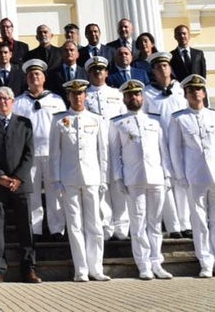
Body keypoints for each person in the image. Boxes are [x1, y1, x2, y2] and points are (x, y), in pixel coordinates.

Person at [169, 74, 215, 279]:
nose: (195, 94)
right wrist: (180, 176)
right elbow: (175, 149)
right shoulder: (179, 118)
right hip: (194, 175)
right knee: (198, 221)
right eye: (191, 91)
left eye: (198, 90)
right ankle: (205, 261)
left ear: (204, 93)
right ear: (186, 95)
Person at [109, 79, 174, 280]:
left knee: (155, 223)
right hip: (133, 178)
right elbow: (114, 153)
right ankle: (143, 264)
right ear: (124, 98)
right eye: (130, 95)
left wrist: (167, 174)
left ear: (142, 97)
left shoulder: (154, 121)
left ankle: (157, 262)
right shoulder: (117, 123)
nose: (134, 97)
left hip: (156, 177)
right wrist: (118, 178)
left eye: (137, 94)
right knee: (138, 224)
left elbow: (164, 150)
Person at [0, 86, 42, 285]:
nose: (3, 102)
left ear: (13, 101)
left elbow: (29, 154)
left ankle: (29, 269)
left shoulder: (25, 123)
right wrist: (0, 176)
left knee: (25, 226)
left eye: (7, 98)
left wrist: (18, 178)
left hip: (20, 183)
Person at [50, 79, 110, 282]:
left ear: (86, 95)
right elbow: (54, 154)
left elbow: (102, 152)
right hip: (69, 178)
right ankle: (81, 269)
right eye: (73, 94)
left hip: (92, 177)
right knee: (75, 225)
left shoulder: (96, 119)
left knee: (94, 224)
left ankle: (97, 268)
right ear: (68, 96)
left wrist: (103, 178)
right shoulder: (59, 120)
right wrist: (56, 179)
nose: (77, 97)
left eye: (81, 93)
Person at [12, 59, 67, 236]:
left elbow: (64, 126)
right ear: (26, 79)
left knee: (55, 192)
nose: (34, 77)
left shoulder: (56, 100)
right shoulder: (19, 102)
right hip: (29, 154)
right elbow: (15, 130)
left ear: (44, 78)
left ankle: (57, 228)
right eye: (30, 75)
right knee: (32, 193)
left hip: (53, 153)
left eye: (38, 74)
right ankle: (34, 229)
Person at [143, 52, 190, 238]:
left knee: (182, 182)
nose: (162, 69)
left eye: (165, 66)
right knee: (166, 184)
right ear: (153, 71)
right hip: (159, 144)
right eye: (158, 67)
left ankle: (185, 222)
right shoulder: (147, 93)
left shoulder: (181, 89)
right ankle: (173, 225)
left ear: (170, 68)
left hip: (182, 143)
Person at [84, 55, 127, 240]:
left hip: (115, 144)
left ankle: (122, 226)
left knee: (117, 183)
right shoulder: (85, 96)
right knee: (101, 185)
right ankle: (106, 224)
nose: (98, 72)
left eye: (101, 69)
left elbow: (125, 119)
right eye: (94, 70)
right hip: (93, 146)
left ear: (106, 72)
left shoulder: (117, 94)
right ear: (89, 74)